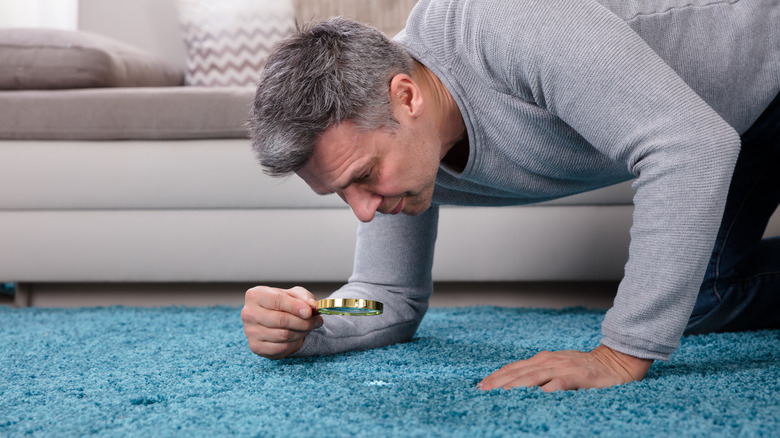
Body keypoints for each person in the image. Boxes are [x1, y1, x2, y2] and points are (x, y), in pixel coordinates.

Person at [241, 0, 780, 391]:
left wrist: (620, 355)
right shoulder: (396, 141)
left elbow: (691, 146)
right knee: (701, 298)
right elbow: (387, 294)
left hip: (767, 60)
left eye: (363, 176)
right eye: (340, 192)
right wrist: (312, 323)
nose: (363, 208)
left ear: (405, 97)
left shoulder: (505, 19)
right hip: (727, 117)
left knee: (656, 316)